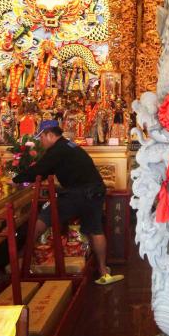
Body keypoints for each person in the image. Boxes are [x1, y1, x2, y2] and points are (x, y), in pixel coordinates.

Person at [12, 120, 123, 286]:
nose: (41, 142)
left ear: (50, 135)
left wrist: (15, 180)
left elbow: (39, 170)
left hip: (78, 193)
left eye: (41, 138)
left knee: (43, 218)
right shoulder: (69, 145)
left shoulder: (57, 150)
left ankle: (20, 261)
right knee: (95, 230)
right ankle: (103, 271)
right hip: (95, 190)